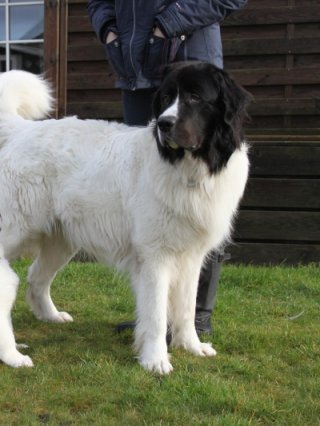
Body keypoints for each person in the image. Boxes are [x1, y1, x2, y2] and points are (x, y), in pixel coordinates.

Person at [87, 0, 248, 336]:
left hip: (192, 64)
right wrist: (110, 32)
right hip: (137, 76)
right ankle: (154, 316)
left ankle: (194, 318)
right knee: (151, 218)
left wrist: (167, 25)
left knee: (205, 206)